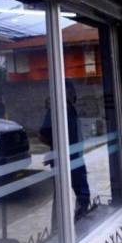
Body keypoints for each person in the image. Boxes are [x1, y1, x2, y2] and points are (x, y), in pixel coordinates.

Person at [40, 80, 91, 220]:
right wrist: (56, 150)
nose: (74, 93)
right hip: (65, 160)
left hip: (75, 157)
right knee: (64, 195)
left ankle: (78, 218)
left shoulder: (70, 109)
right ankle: (61, 226)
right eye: (71, 90)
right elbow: (43, 135)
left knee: (81, 193)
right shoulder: (56, 110)